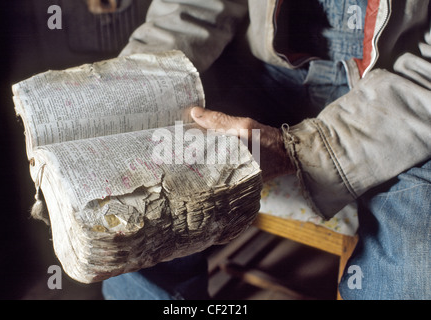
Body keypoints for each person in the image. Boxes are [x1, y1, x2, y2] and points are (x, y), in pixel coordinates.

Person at [102, 0, 431, 300]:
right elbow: (192, 8)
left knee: (413, 267)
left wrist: (298, 150)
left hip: (399, 96)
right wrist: (136, 88)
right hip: (265, 74)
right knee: (141, 197)